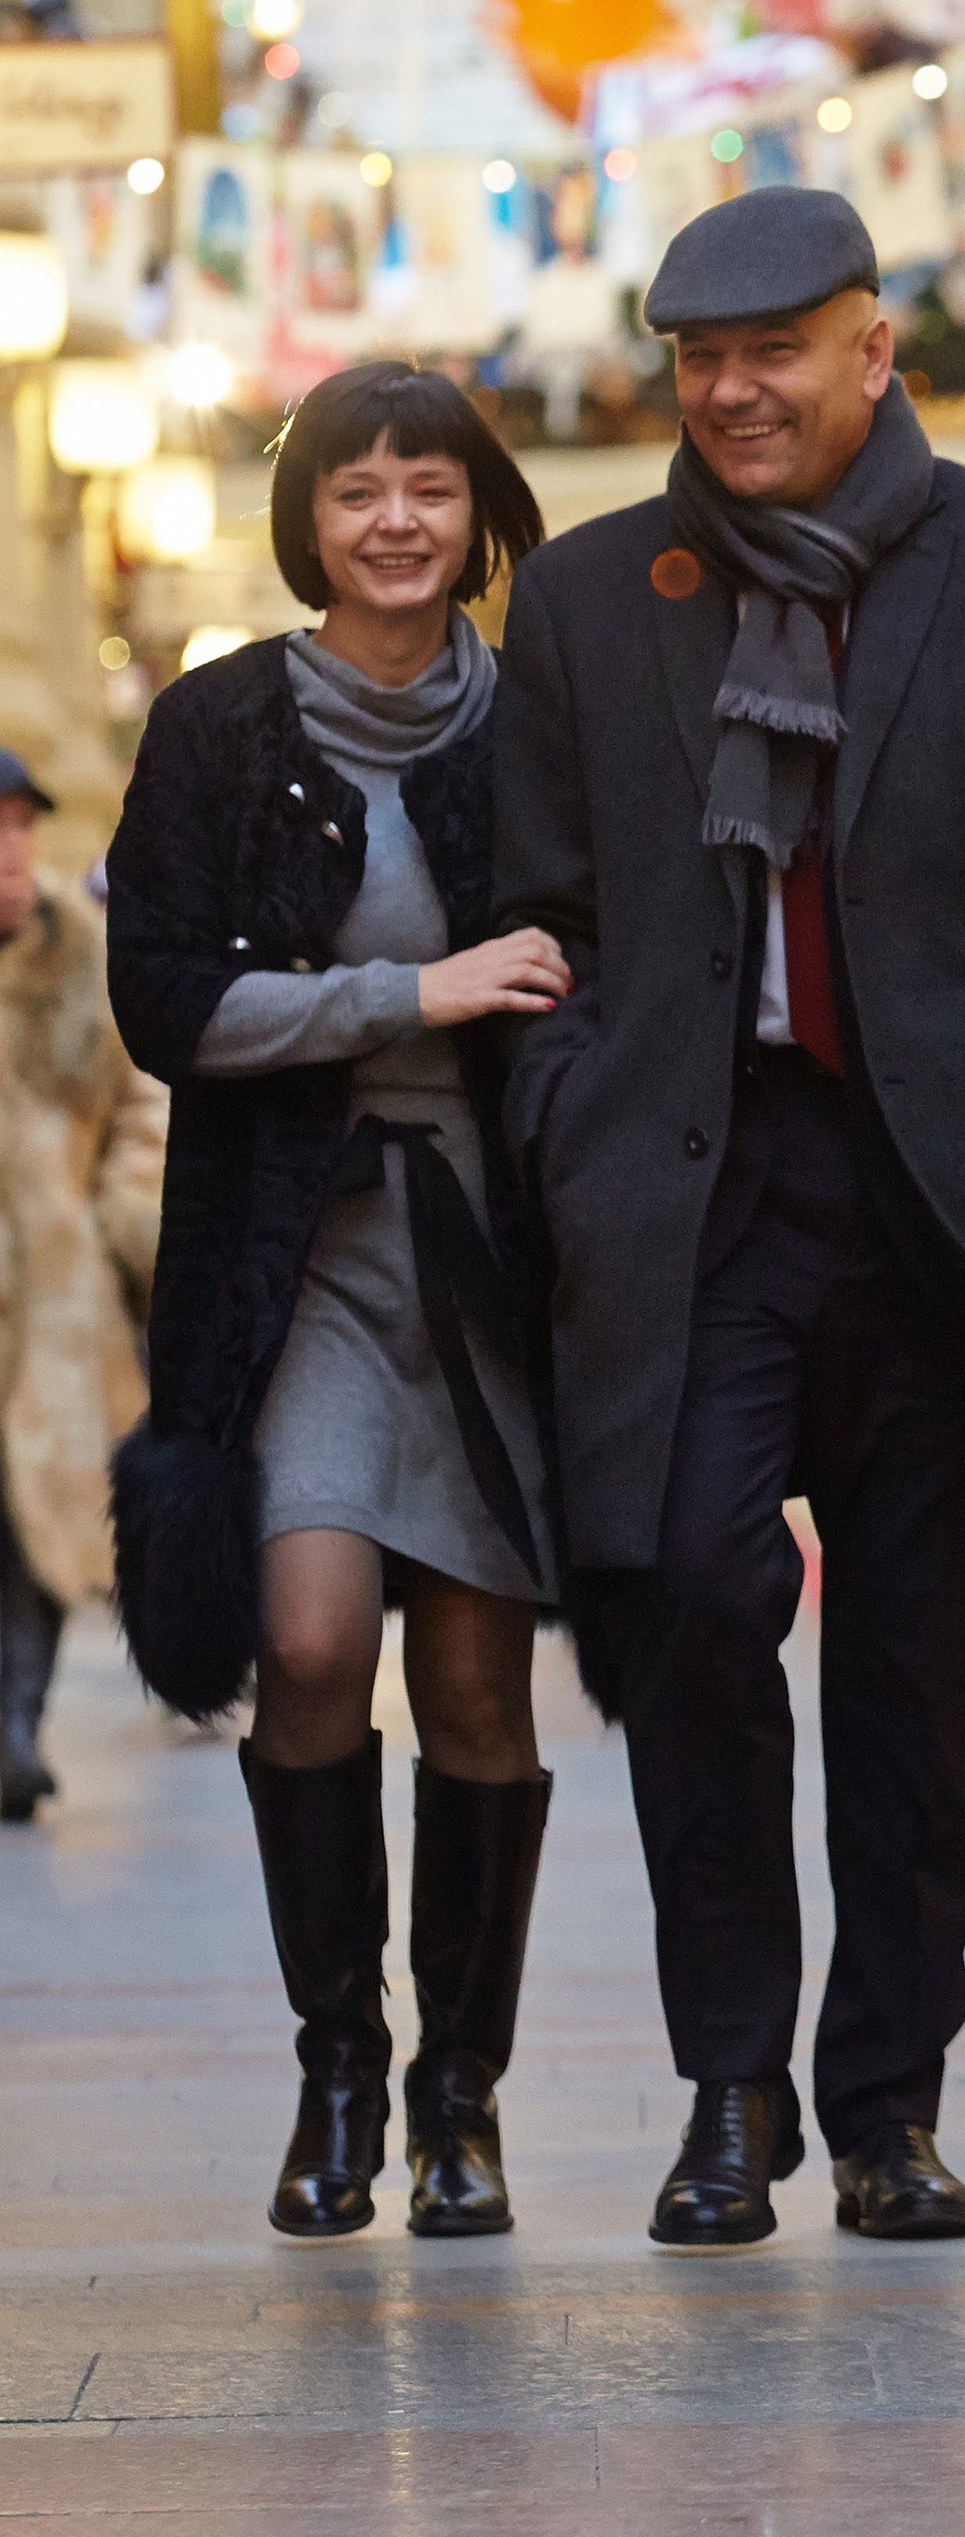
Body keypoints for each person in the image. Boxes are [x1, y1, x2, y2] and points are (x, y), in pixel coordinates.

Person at [493, 190, 965, 2252]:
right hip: (687, 1198)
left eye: (775, 352)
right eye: (699, 360)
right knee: (690, 1604)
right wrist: (565, 1124)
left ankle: (888, 2108)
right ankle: (729, 2090)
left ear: (872, 350)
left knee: (910, 1673)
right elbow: (540, 907)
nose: (732, 392)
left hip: (935, 1202)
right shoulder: (590, 595)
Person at [107, 365, 566, 2247]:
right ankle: (339, 2068)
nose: (394, 522)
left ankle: (463, 2100)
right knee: (305, 1646)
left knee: (474, 1684)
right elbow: (166, 1007)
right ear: (308, 520)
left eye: (428, 488)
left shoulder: (541, 719)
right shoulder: (216, 725)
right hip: (289, 1253)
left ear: (478, 514)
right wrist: (412, 996)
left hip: (496, 1261)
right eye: (357, 489)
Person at [0, 752, 166, 1821]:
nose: (11, 851)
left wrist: (122, 1227)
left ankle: (15, 1725)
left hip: (57, 1303)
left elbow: (142, 1102)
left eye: (20, 826)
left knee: (43, 1525)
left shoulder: (79, 953)